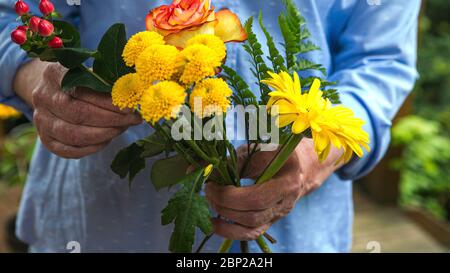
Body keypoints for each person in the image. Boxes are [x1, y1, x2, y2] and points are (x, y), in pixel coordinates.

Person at [0, 0, 420, 252]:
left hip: (300, 231)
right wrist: (36, 76)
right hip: (102, 220)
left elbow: (381, 60)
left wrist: (318, 150)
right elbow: (9, 17)